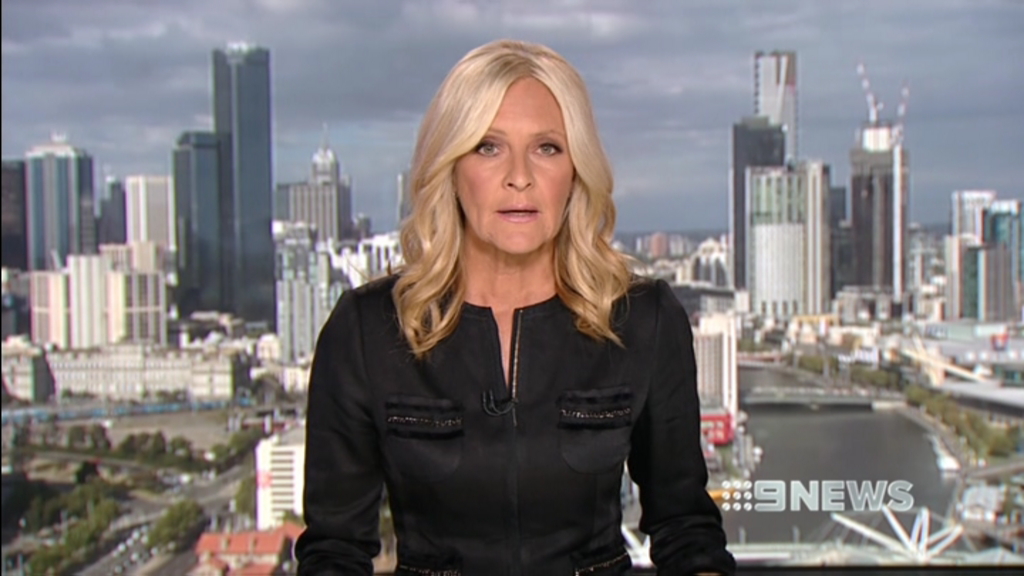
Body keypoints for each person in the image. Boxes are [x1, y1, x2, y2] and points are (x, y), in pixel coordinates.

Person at [294, 39, 735, 576]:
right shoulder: (367, 330)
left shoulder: (644, 319)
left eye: (547, 148)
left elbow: (685, 528)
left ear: (576, 169)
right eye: (488, 147)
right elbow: (334, 551)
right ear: (450, 167)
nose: (519, 176)